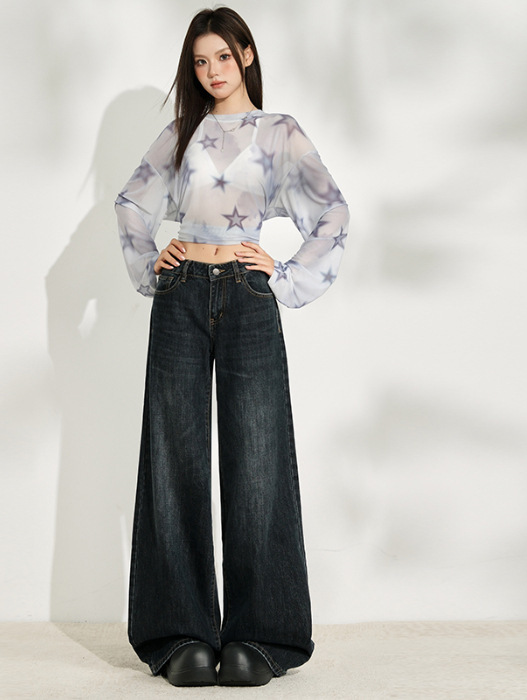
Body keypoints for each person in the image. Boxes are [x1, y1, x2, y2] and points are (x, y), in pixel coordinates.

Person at [115, 6, 349, 687]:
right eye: (200, 61)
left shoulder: (279, 133)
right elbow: (131, 203)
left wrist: (285, 273)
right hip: (181, 295)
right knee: (174, 459)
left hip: (248, 296)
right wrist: (152, 261)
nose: (212, 71)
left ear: (246, 55)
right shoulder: (182, 133)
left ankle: (262, 636)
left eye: (222, 56)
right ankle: (179, 634)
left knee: (258, 459)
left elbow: (332, 211)